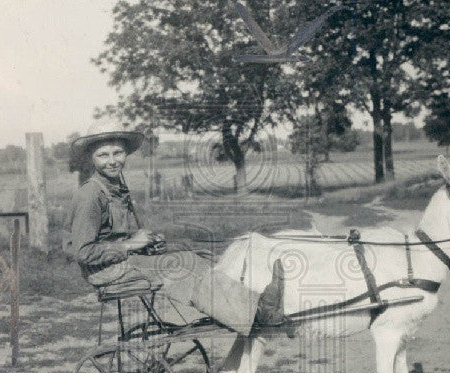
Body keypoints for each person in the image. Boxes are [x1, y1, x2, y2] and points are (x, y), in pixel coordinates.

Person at [65, 126, 288, 336]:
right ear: (91, 158)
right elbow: (84, 252)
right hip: (106, 271)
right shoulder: (90, 195)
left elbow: (111, 236)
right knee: (185, 264)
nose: (112, 161)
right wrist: (131, 245)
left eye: (118, 153)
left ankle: (247, 307)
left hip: (119, 262)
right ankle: (258, 313)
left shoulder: (115, 188)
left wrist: (146, 241)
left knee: (196, 256)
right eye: (103, 155)